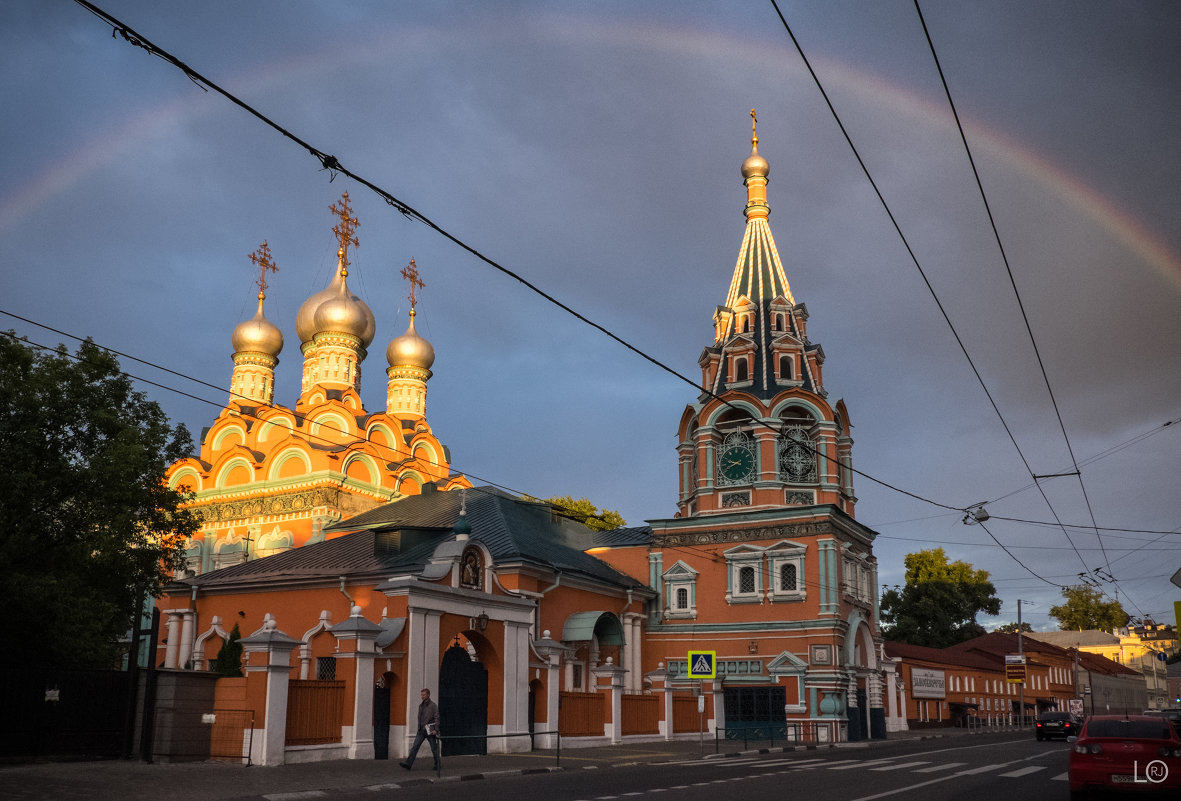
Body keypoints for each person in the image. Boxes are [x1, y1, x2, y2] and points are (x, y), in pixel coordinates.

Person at [399, 687, 440, 771]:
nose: (422, 696)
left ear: (428, 695)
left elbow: (437, 717)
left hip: (430, 730)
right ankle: (408, 764)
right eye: (421, 695)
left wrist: (436, 729)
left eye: (424, 695)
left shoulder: (433, 706)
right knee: (415, 747)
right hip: (421, 730)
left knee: (434, 748)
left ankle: (437, 764)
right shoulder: (421, 706)